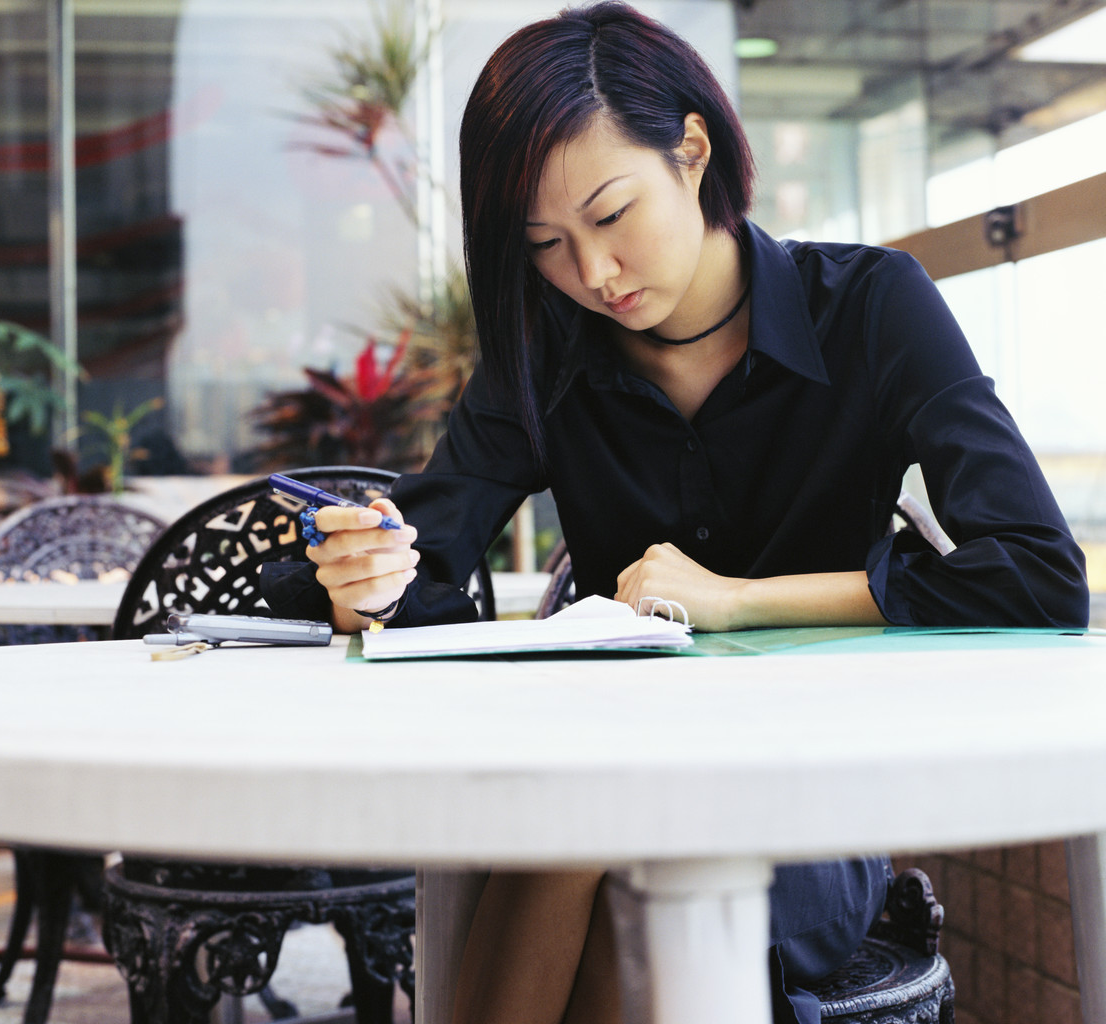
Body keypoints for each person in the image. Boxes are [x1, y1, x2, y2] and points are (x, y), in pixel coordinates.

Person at [263, 2, 1090, 1021]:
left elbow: (1036, 572)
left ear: (690, 150)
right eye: (544, 245)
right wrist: (368, 583)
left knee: (605, 845)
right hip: (602, 783)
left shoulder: (872, 309)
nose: (590, 274)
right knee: (586, 819)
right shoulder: (548, 360)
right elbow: (421, 557)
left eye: (610, 216)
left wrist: (737, 601)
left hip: (808, 811)